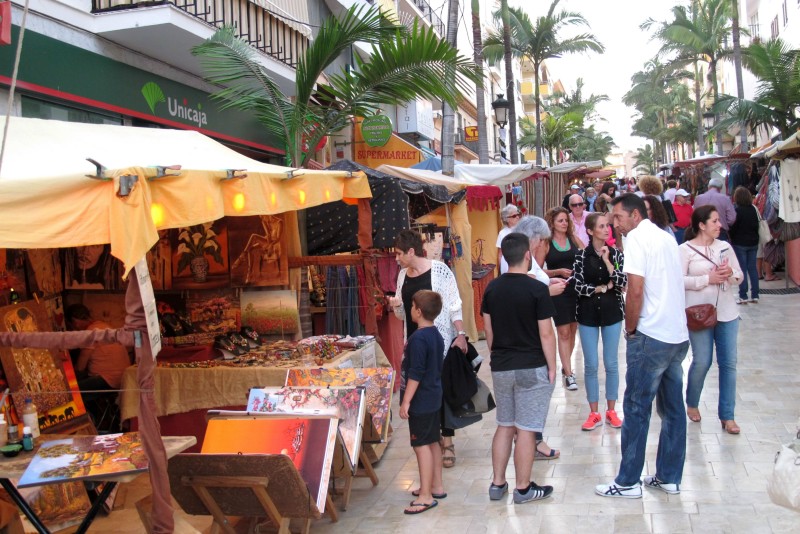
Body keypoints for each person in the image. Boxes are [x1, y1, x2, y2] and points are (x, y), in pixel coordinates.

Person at [596, 194, 690, 499]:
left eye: (618, 217)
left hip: (651, 334)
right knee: (673, 409)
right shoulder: (665, 236)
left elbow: (635, 289)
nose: (615, 223)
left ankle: (627, 482)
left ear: (635, 215)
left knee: (636, 408)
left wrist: (631, 328)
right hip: (676, 335)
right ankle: (669, 477)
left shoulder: (636, 238)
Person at [482, 232, 557, 504]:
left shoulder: (492, 289)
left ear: (504, 256)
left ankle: (497, 483)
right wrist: (553, 366)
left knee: (505, 424)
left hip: (502, 365)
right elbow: (546, 333)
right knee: (526, 428)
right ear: (528, 255)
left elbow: (488, 330)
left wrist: (498, 355)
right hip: (531, 365)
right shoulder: (537, 289)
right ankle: (523, 488)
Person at [390, 229, 467, 469]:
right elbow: (402, 314)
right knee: (424, 393)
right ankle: (433, 438)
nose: (396, 258)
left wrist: (461, 334)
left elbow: (454, 304)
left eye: (399, 254)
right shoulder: (402, 276)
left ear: (411, 251)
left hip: (438, 341)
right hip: (415, 343)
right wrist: (396, 306)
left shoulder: (440, 270)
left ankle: (448, 440)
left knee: (441, 391)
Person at [680, 206, 744, 435]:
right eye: (715, 221)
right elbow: (678, 280)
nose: (720, 225)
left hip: (727, 311)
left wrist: (730, 274)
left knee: (728, 364)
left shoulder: (724, 247)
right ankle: (692, 401)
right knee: (702, 361)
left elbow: (739, 275)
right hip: (699, 313)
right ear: (701, 225)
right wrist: (708, 279)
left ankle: (728, 416)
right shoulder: (684, 250)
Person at [513, 215, 564, 460]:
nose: (545, 245)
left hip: (533, 330)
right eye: (543, 240)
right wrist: (548, 291)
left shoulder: (529, 259)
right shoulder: (522, 259)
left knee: (537, 390)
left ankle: (533, 437)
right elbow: (524, 293)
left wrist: (548, 280)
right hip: (532, 334)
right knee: (539, 388)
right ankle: (533, 440)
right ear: (535, 240)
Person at [574, 213, 627, 431]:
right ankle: (593, 412)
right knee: (591, 364)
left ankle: (611, 411)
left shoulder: (616, 254)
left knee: (611, 363)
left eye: (608, 226)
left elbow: (622, 281)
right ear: (590, 231)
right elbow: (578, 286)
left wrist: (607, 261)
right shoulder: (580, 256)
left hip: (612, 312)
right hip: (587, 313)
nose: (607, 229)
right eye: (602, 226)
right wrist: (603, 287)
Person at [399, 290, 445, 515]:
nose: (410, 309)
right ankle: (436, 486)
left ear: (418, 311)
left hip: (421, 400)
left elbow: (415, 373)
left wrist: (406, 401)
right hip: (434, 396)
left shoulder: (418, 339)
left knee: (421, 446)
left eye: (412, 306)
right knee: (433, 441)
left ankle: (426, 495)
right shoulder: (436, 334)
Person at [537, 207, 583, 391]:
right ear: (552, 223)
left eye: (566, 220)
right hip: (559, 289)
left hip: (576, 289)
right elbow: (538, 269)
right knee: (563, 331)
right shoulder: (546, 243)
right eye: (560, 221)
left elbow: (586, 255)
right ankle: (569, 373)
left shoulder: (573, 239)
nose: (564, 223)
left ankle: (566, 366)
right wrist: (557, 272)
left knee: (572, 330)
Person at [65, 303, 132, 424]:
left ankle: (88, 424)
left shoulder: (90, 333)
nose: (74, 329)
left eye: (71, 326)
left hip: (108, 379)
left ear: (75, 321)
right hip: (123, 378)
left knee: (69, 392)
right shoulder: (104, 326)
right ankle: (97, 420)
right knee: (82, 384)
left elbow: (80, 366)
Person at [729, 186, 760, 304]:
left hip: (740, 243)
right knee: (752, 268)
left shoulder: (737, 211)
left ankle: (743, 295)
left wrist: (731, 237)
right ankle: (755, 295)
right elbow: (756, 225)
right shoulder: (753, 209)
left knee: (742, 269)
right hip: (753, 242)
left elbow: (734, 228)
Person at [496, 204, 522, 274]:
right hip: (506, 266)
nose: (517, 217)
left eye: (518, 214)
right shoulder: (502, 233)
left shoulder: (522, 230)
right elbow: (500, 254)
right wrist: (501, 267)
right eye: (514, 216)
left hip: (520, 265)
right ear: (507, 219)